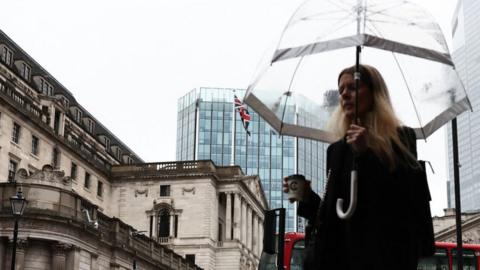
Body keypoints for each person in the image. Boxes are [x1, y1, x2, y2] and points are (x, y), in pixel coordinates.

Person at [283, 64, 434, 270]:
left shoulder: (400, 139)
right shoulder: (336, 150)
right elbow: (332, 215)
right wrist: (307, 196)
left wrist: (366, 155)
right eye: (341, 90)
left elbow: (406, 202)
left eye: (353, 88)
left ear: (374, 93)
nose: (344, 95)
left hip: (385, 257)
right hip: (343, 259)